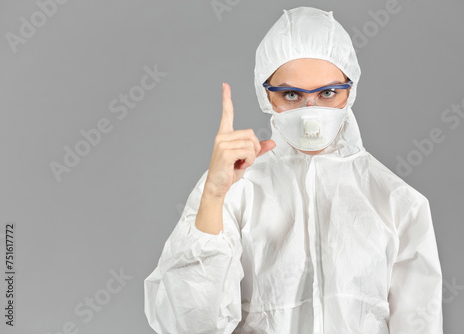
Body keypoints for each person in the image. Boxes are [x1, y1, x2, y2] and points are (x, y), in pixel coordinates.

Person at [144, 6, 444, 334]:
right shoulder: (234, 190)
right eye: (291, 94)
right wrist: (214, 194)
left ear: (350, 89)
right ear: (266, 96)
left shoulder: (397, 202)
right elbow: (188, 325)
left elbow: (420, 324)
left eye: (328, 93)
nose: (310, 112)